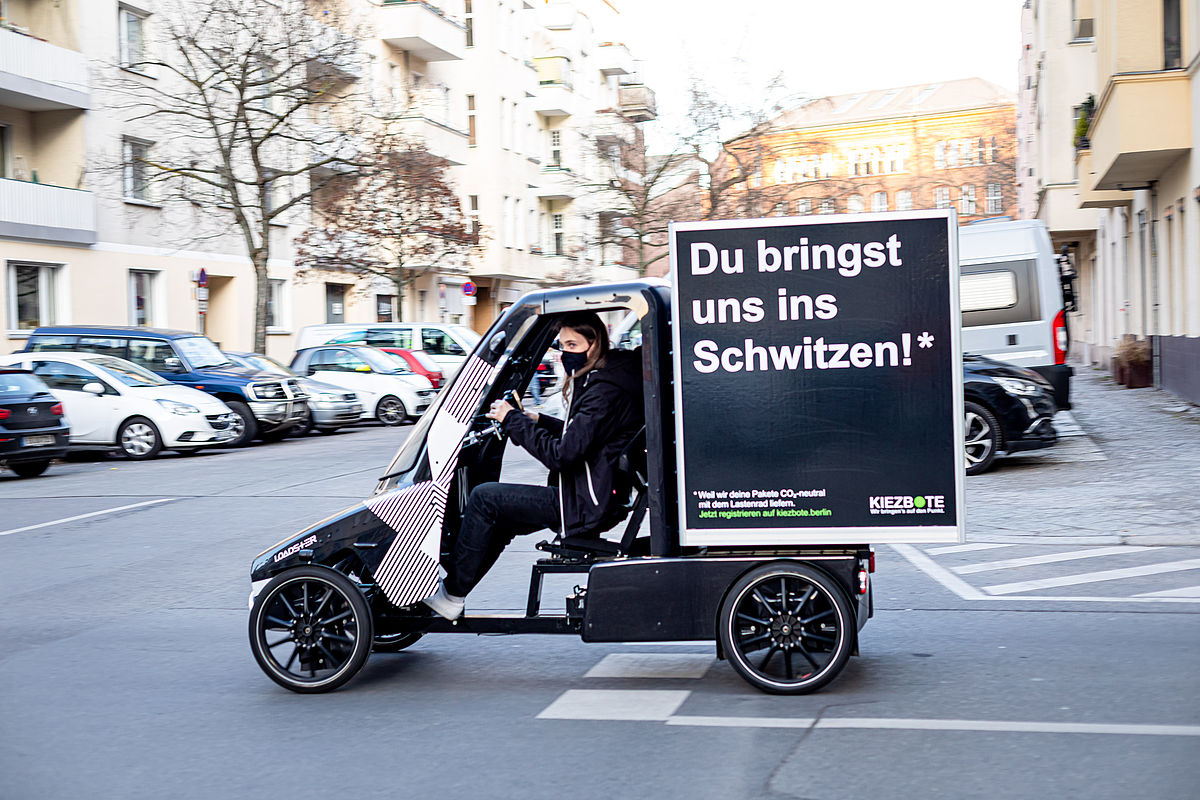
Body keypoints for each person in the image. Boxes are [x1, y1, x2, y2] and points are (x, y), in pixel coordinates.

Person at [422, 311, 644, 620]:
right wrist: (537, 420)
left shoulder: (604, 389)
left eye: (573, 344)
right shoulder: (609, 377)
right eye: (562, 345)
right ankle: (452, 594)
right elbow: (583, 438)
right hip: (592, 496)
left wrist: (511, 419)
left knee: (485, 498)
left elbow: (562, 455)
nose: (566, 353)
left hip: (582, 505)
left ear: (594, 344)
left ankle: (453, 594)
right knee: (500, 517)